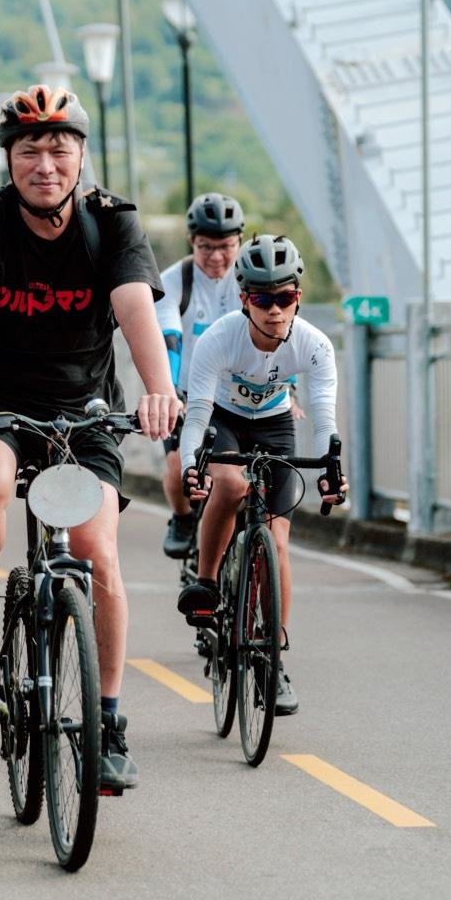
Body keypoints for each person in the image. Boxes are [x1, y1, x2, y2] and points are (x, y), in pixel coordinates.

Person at [0, 84, 181, 791]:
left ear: (81, 156)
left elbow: (133, 309)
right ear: (8, 158)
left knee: (95, 552)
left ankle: (109, 718)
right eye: (29, 149)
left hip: (84, 412)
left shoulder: (111, 226)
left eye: (59, 148)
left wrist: (160, 388)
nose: (45, 162)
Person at [175, 235, 348, 716]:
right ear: (244, 298)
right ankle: (208, 583)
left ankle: (273, 661)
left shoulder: (314, 345)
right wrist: (192, 465)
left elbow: (323, 418)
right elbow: (196, 414)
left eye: (285, 297)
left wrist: (331, 471)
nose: (274, 310)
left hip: (274, 424)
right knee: (229, 484)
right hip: (223, 419)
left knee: (278, 538)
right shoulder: (220, 338)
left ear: (298, 295)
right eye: (262, 298)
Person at [154, 192, 245, 559]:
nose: (217, 257)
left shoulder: (249, 276)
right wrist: (172, 393)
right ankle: (182, 516)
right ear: (192, 241)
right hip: (189, 393)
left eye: (226, 246)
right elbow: (170, 339)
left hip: (241, 394)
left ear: (240, 241)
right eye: (206, 247)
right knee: (180, 464)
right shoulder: (175, 281)